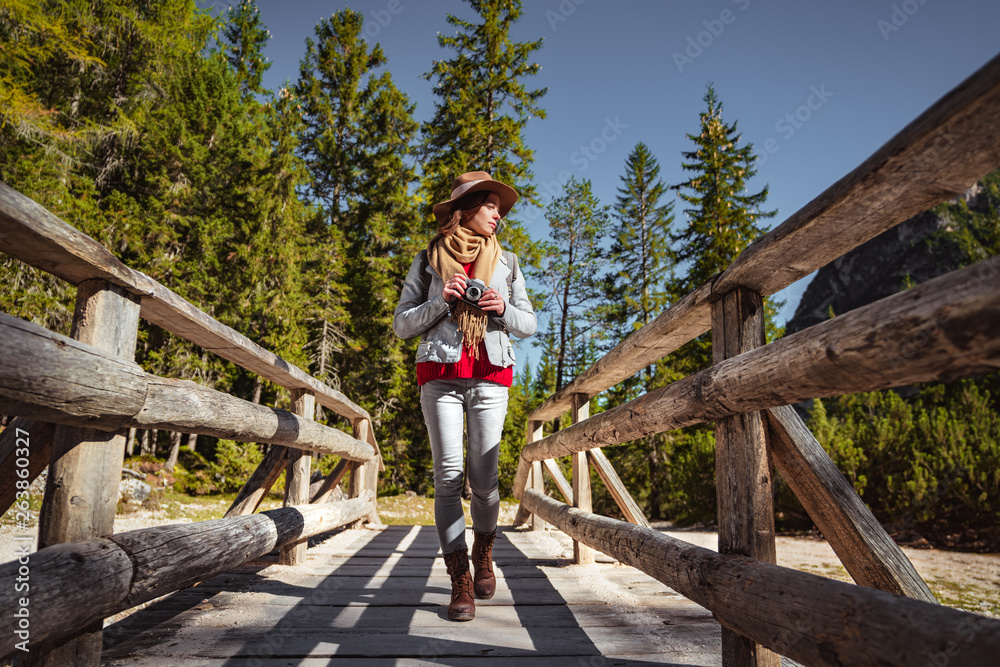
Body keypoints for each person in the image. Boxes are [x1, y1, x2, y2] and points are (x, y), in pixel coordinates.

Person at [393, 171, 536, 621]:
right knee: (448, 476)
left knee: (486, 481)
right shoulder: (427, 261)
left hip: (491, 376)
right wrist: (442, 301)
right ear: (464, 210)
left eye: (499, 208)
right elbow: (402, 324)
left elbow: (530, 324)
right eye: (491, 205)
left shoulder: (508, 262)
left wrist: (502, 308)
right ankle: (460, 581)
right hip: (440, 375)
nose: (499, 214)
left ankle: (484, 553)